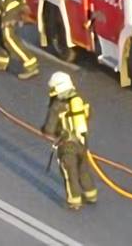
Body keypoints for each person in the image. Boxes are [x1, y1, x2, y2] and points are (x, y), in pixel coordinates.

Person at [41, 72, 97, 211]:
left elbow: (49, 128)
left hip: (66, 146)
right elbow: (87, 116)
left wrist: (47, 132)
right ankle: (91, 194)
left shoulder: (57, 105)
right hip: (82, 142)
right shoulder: (78, 100)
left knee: (69, 172)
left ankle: (74, 200)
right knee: (83, 168)